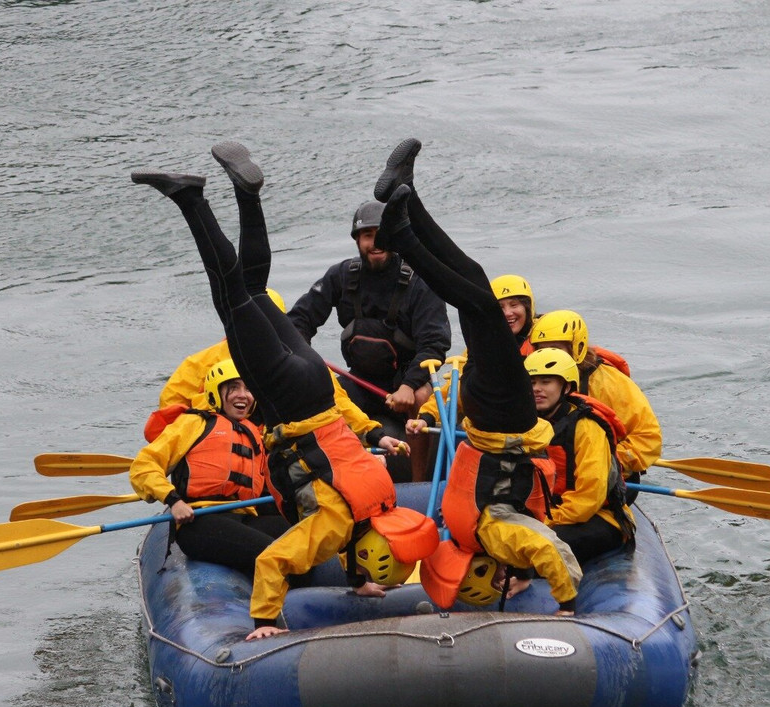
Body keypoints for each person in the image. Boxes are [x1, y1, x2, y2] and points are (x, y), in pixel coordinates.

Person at [131, 141, 438, 641]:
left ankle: (247, 195)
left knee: (253, 288)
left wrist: (358, 581)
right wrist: (265, 622)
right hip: (289, 403)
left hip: (315, 378)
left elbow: (350, 529)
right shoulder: (337, 528)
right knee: (230, 294)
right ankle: (190, 200)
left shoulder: (380, 500)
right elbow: (274, 561)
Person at [371, 138, 582, 613]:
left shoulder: (490, 533)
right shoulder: (468, 528)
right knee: (475, 285)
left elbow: (547, 548)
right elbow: (535, 540)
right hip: (495, 417)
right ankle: (408, 200)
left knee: (481, 303)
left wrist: (568, 602)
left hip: (504, 419)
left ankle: (403, 233)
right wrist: (527, 573)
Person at [286, 198, 452, 482]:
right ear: (357, 240)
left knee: (422, 398)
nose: (375, 243)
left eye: (382, 234)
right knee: (320, 398)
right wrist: (306, 364)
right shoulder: (341, 275)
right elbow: (299, 320)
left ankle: (419, 484)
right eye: (367, 235)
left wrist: (409, 385)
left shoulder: (419, 282)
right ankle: (335, 478)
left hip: (406, 382)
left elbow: (435, 344)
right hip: (361, 380)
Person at [153, 294, 389, 450]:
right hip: (224, 445)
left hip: (279, 445)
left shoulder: (300, 361)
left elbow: (338, 403)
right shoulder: (200, 364)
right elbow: (170, 411)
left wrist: (371, 432)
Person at [130, 358, 289, 576]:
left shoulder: (255, 433)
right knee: (276, 556)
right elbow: (143, 466)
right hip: (200, 521)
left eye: (248, 389)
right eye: (234, 388)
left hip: (245, 517)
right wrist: (173, 501)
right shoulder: (194, 424)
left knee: (302, 540)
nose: (243, 395)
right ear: (215, 392)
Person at [524, 348, 636, 564]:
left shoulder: (587, 427)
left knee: (543, 545)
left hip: (597, 517)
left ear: (566, 387)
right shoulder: (528, 424)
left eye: (546, 382)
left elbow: (588, 498)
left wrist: (548, 520)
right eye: (532, 382)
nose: (537, 389)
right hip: (549, 512)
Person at [528, 309, 662, 483]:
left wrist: (600, 462)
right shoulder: (533, 381)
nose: (549, 356)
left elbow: (648, 438)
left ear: (576, 348)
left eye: (556, 349)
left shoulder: (609, 383)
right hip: (554, 470)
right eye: (542, 350)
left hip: (606, 475)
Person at [406, 273, 535, 436]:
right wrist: (426, 417)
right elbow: (453, 390)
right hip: (493, 424)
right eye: (500, 307)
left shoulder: (543, 341)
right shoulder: (480, 346)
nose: (508, 313)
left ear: (527, 308)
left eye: (514, 305)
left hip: (533, 423)